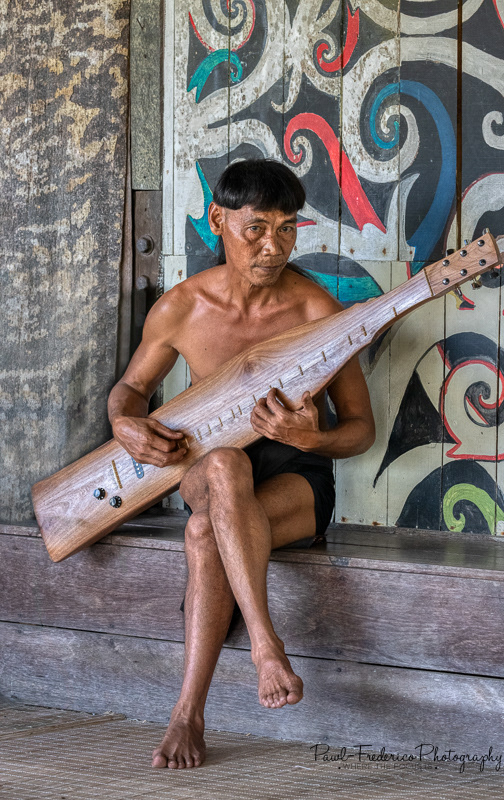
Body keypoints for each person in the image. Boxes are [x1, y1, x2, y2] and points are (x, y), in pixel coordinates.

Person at [107, 158, 375, 769]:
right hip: (206, 469)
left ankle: (187, 714)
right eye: (256, 227)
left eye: (287, 228)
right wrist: (124, 424)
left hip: (294, 482)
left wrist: (310, 440)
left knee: (205, 532)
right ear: (218, 220)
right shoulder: (182, 308)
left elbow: (360, 430)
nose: (273, 246)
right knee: (225, 465)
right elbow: (131, 390)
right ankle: (265, 641)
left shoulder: (318, 312)